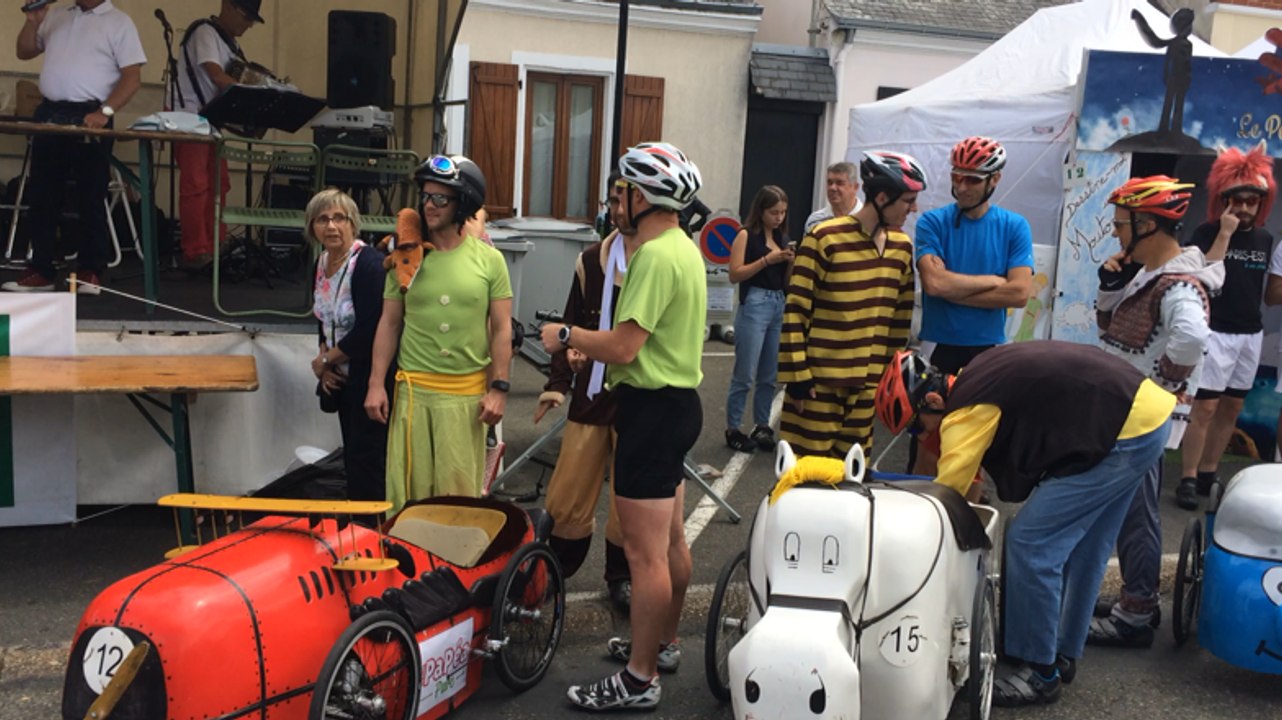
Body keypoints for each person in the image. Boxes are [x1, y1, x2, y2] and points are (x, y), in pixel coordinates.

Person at [875, 341, 1174, 707]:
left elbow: (945, 497)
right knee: (1084, 547)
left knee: (1030, 542)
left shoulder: (966, 410)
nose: (919, 437)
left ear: (933, 403)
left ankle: (1040, 673)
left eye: (914, 427)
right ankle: (1060, 652)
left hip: (1122, 429)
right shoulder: (974, 375)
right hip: (1144, 416)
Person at [541, 142, 706, 712]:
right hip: (677, 403)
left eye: (625, 191)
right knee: (671, 540)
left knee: (644, 555)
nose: (619, 201)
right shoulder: (683, 247)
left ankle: (638, 679)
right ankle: (661, 645)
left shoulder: (656, 255)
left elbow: (624, 346)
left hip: (650, 409)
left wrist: (566, 336)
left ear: (644, 197)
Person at [1088, 176, 1221, 648]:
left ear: (1147, 224)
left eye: (1122, 224)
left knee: (1137, 513)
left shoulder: (1178, 286)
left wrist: (1159, 386)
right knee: (1128, 509)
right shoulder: (1148, 275)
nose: (1116, 232)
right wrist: (1110, 284)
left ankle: (1137, 613)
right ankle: (1134, 596)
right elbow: (1111, 325)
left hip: (1139, 416)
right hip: (1127, 413)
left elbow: (1191, 339)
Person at [364, 155, 513, 511]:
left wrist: (499, 389)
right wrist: (374, 384)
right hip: (413, 394)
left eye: (441, 198)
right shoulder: (405, 257)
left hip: (465, 399)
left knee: (457, 503)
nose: (430, 205)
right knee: (408, 502)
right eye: (426, 197)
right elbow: (389, 322)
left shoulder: (490, 261)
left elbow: (502, 328)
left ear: (464, 202)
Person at [778, 150, 924, 458]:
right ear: (883, 197)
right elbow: (795, 311)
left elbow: (899, 322)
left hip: (868, 389)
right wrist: (797, 379)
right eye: (908, 201)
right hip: (818, 386)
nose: (913, 209)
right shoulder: (824, 238)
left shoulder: (902, 247)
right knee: (805, 481)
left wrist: (891, 380)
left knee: (851, 483)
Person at [536, 173, 634, 612]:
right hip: (592, 396)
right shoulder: (592, 260)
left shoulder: (661, 260)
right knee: (568, 493)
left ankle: (622, 577)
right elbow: (569, 325)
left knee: (629, 500)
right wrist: (558, 382)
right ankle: (551, 574)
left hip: (638, 397)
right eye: (612, 199)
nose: (617, 209)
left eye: (624, 200)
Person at [4, 0, 146, 294]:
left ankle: (90, 270)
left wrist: (105, 113)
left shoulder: (119, 22)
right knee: (42, 193)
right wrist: (32, 23)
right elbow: (24, 51)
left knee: (90, 195)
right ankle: (41, 269)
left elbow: (132, 78)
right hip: (50, 112)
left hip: (91, 113)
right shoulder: (56, 13)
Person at [1177, 145, 1277, 509]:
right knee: (1203, 408)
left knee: (1231, 408)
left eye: (1253, 201)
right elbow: (1206, 277)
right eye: (1238, 200)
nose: (1246, 208)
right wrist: (1225, 232)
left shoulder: (1265, 239)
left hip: (1249, 333)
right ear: (1223, 199)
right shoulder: (1205, 233)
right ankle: (1187, 477)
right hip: (1213, 331)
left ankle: (1208, 471)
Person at [307, 189, 393, 502]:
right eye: (322, 219)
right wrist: (323, 362)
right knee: (353, 460)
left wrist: (327, 360)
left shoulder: (369, 265)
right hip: (340, 375)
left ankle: (372, 533)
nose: (331, 226)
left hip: (370, 375)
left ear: (353, 223)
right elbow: (322, 316)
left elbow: (370, 328)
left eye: (339, 218)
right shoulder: (321, 263)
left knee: (368, 461)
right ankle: (357, 527)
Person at [171, 0, 263, 271]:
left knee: (218, 184)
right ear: (228, 7)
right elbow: (216, 76)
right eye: (246, 17)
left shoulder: (229, 43)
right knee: (197, 185)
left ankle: (215, 245)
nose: (247, 25)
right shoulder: (205, 32)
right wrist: (253, 94)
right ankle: (196, 251)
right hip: (189, 117)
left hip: (208, 120)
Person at [724, 185, 794, 453]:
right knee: (745, 373)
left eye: (783, 212)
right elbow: (735, 273)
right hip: (755, 302)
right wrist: (768, 259)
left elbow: (786, 283)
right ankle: (733, 428)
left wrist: (789, 263)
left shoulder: (782, 237)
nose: (778, 217)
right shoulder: (746, 235)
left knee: (769, 374)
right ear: (761, 211)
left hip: (778, 302)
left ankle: (762, 425)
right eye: (774, 212)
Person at [803, 161, 862, 233]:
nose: (832, 188)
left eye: (839, 183)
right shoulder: (815, 220)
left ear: (855, 187)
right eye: (829, 183)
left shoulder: (867, 220)